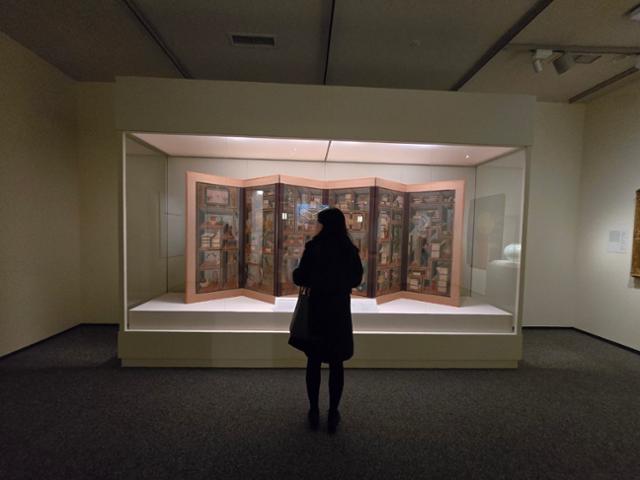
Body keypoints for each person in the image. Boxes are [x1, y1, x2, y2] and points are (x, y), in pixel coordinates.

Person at [292, 207, 364, 433]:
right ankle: (333, 412)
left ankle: (314, 410)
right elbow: (356, 278)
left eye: (319, 223)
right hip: (339, 311)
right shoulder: (349, 249)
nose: (316, 227)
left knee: (313, 361)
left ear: (325, 225)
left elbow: (300, 277)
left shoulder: (314, 247)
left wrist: (306, 276)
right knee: (336, 362)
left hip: (317, 310)